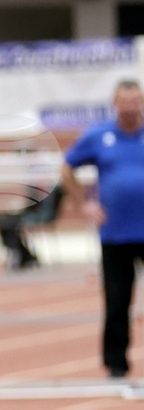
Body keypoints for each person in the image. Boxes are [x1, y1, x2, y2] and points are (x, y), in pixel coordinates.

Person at [62, 79, 144, 379]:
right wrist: (84, 204)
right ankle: (116, 364)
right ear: (115, 104)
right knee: (117, 301)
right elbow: (66, 167)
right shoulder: (99, 136)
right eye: (125, 102)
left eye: (135, 101)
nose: (130, 108)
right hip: (115, 234)